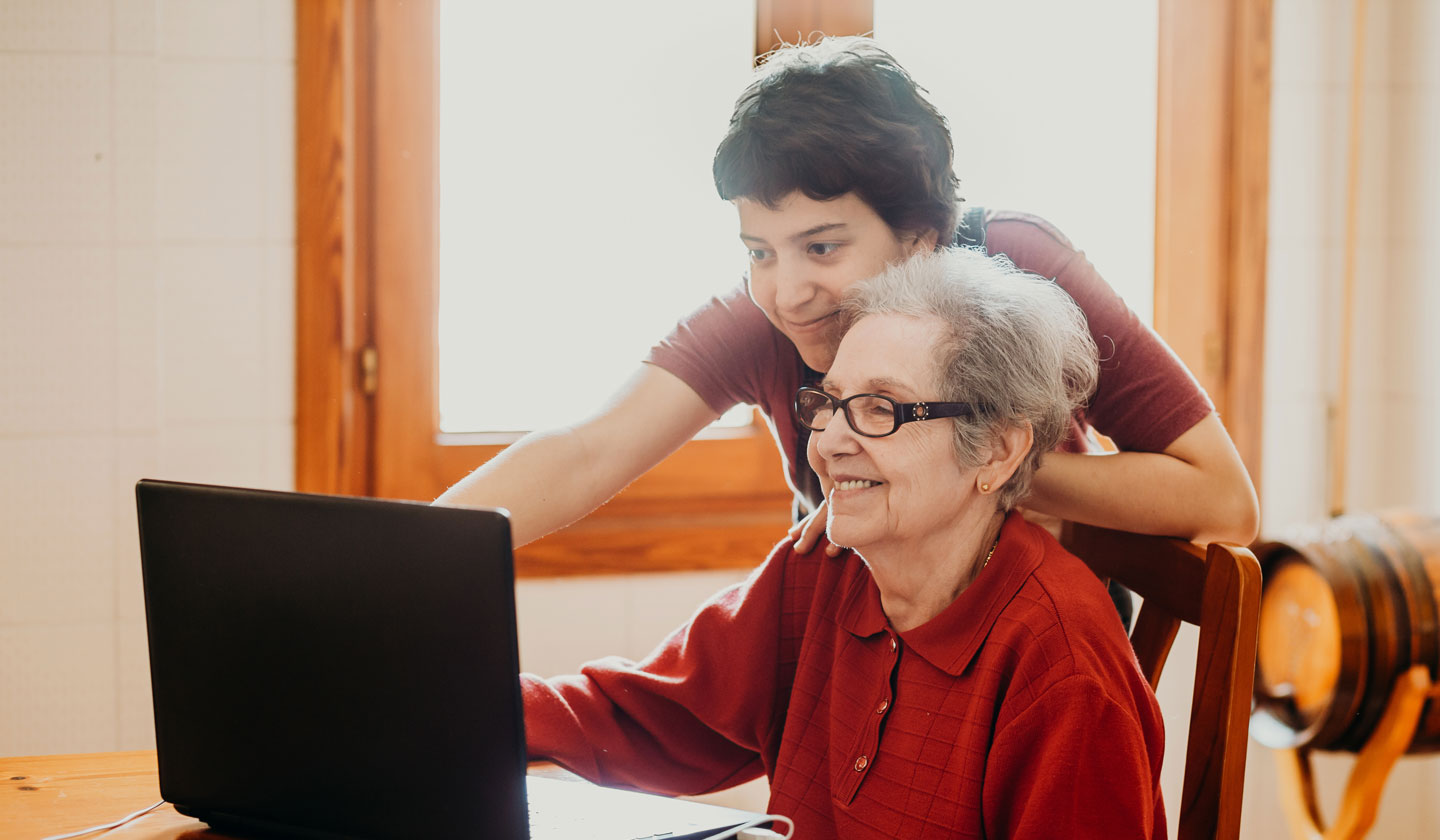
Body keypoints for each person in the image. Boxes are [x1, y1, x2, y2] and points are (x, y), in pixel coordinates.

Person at [522, 248, 1192, 840]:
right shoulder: (826, 569)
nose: (831, 441)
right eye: (829, 402)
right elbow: (652, 716)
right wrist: (456, 708)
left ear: (996, 451)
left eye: (880, 409)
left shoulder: (1060, 665)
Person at [436, 36, 1258, 552]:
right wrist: (410, 557)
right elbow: (588, 450)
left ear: (921, 238)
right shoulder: (766, 317)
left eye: (822, 247)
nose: (787, 292)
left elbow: (1223, 500)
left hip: (1029, 690)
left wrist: (967, 468)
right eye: (759, 251)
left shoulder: (1019, 266)